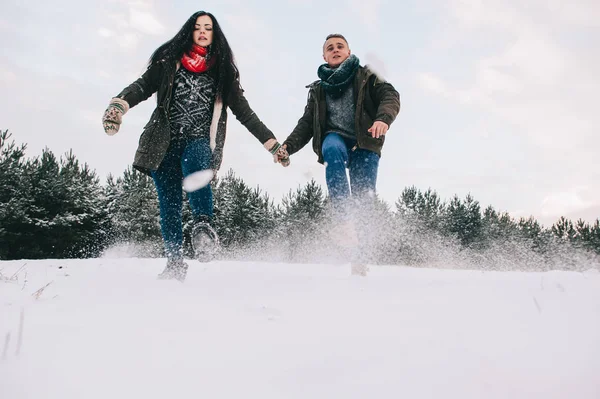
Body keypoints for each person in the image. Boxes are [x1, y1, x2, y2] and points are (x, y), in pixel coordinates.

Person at [102, 11, 288, 282]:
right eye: (198, 27)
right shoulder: (168, 63)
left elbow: (246, 114)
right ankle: (175, 263)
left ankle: (203, 227)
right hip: (162, 144)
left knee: (197, 164)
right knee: (169, 205)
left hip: (199, 139)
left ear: (214, 34)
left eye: (208, 28)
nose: (202, 31)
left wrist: (272, 144)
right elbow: (142, 86)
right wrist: (119, 105)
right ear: (190, 32)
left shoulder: (222, 72)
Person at [277, 34, 400, 273]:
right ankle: (343, 219)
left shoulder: (367, 76)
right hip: (336, 137)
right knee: (330, 148)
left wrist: (383, 119)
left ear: (348, 51)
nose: (335, 50)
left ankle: (359, 258)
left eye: (339, 46)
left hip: (366, 140)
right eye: (330, 48)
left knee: (364, 197)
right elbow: (306, 124)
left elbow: (390, 96)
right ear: (324, 56)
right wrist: (288, 147)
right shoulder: (318, 89)